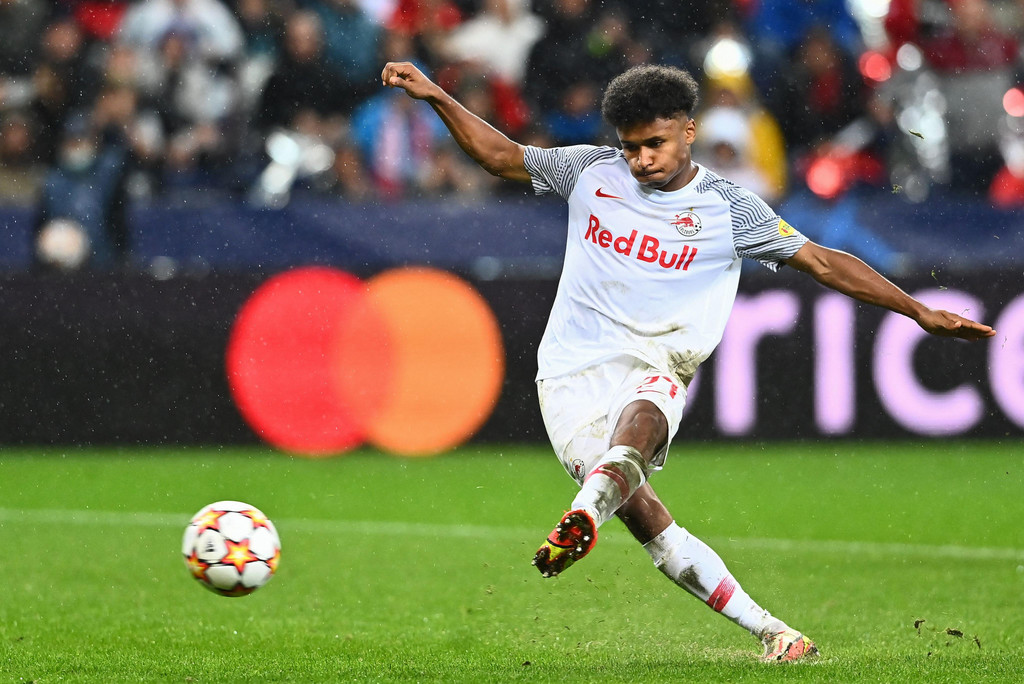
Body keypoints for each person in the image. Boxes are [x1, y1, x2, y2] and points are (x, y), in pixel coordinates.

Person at [379, 61, 996, 662]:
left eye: (655, 144)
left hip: (657, 363)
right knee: (650, 522)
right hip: (567, 377)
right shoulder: (589, 171)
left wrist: (918, 310)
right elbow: (502, 157)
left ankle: (587, 511)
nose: (641, 160)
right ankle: (772, 630)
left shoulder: (730, 210)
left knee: (646, 412)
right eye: (630, 147)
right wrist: (437, 95)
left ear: (688, 130)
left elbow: (823, 261)